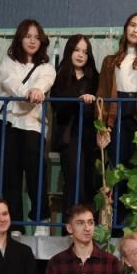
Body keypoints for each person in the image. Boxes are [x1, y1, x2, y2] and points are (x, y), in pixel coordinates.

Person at [96, 12, 137, 230]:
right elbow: (102, 92)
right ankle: (115, 225)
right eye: (132, 25)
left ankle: (133, 225)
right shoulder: (110, 61)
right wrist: (102, 124)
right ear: (126, 28)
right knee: (117, 168)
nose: (135, 30)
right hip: (116, 111)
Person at [0, 19, 57, 236]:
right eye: (28, 36)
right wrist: (28, 93)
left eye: (37, 37)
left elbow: (44, 82)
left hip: (32, 124)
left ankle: (41, 219)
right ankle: (15, 225)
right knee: (10, 175)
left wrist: (36, 90)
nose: (32, 41)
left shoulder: (47, 67)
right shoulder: (7, 62)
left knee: (36, 172)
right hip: (8, 122)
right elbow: (9, 82)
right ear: (20, 39)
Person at [50, 35, 100, 224]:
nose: (80, 55)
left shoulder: (94, 77)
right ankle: (70, 227)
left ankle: (88, 227)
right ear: (69, 51)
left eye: (85, 52)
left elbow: (99, 107)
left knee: (90, 183)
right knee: (73, 180)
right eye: (77, 50)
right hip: (68, 135)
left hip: (90, 135)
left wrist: (89, 101)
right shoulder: (60, 76)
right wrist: (78, 99)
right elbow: (57, 107)